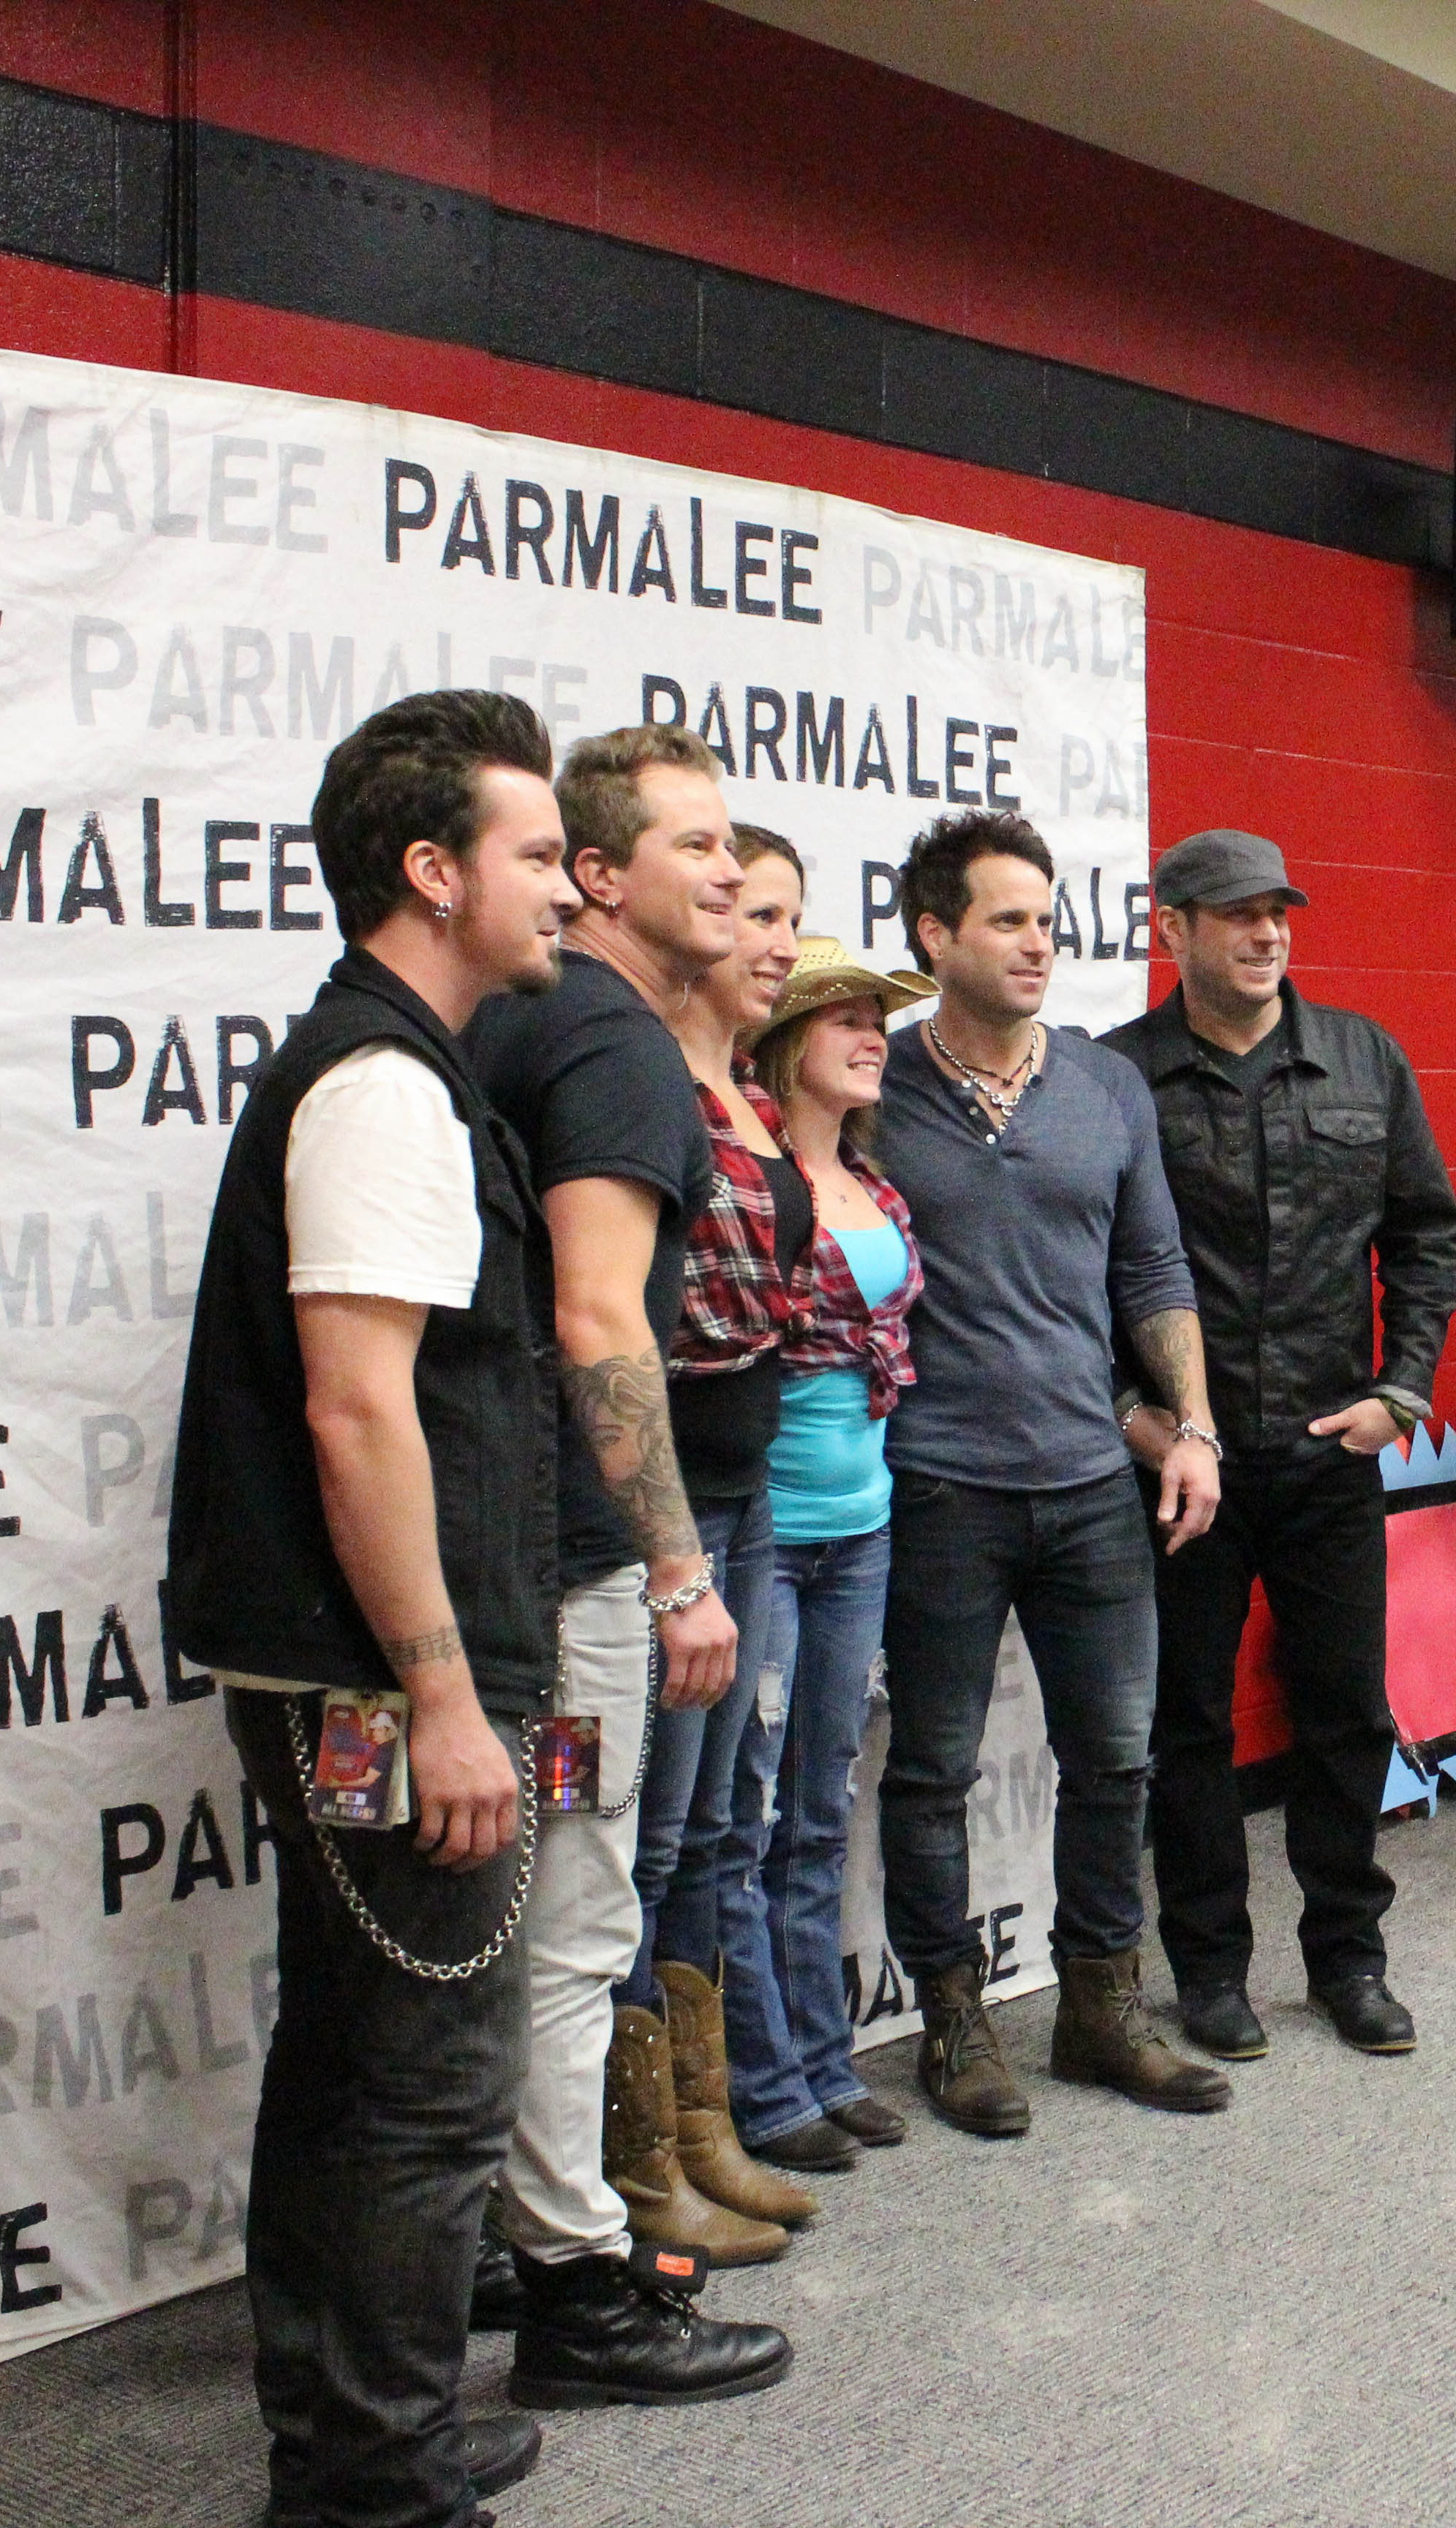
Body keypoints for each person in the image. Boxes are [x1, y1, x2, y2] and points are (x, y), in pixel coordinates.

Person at [160, 690, 572, 2527]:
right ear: (433, 871)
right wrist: (444, 1696)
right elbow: (358, 1411)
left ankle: (345, 2439)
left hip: (362, 1670)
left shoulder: (397, 1068)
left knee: (353, 2057)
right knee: (427, 2082)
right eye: (538, 854)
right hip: (383, 1682)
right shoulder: (388, 1087)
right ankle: (379, 2483)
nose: (569, 885)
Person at [459, 724, 791, 2400]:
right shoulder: (605, 1036)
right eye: (695, 844)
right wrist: (674, 1566)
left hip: (495, 1555)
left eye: (734, 845)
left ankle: (510, 2232)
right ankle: (578, 2288)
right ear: (598, 874)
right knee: (578, 1913)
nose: (730, 871)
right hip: (572, 1572)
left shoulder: (533, 1021)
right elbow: (601, 1317)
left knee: (507, 1916)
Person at [875, 807, 1231, 2133]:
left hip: (1091, 1482)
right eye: (1008, 920)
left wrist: (1192, 1427)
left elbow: (1152, 1269)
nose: (1040, 943)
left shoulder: (1104, 1086)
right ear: (935, 935)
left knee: (1116, 1760)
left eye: (1048, 919)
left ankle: (1098, 2010)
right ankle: (954, 2021)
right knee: (933, 1771)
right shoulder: (873, 1087)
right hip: (939, 1484)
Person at [1109, 830, 1456, 2062]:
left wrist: (1402, 1392)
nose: (1267, 933)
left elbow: (1426, 1233)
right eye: (1237, 914)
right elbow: (1086, 1270)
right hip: (1185, 1467)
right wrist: (1144, 1420)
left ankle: (1348, 1957)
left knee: (1346, 1713)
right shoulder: (1118, 1079)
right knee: (1187, 1726)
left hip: (1328, 1451)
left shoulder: (1364, 1059)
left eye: (1279, 912)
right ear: (1173, 929)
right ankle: (1209, 1970)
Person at [614, 827, 826, 2235]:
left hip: (750, 1490)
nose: (777, 945)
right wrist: (668, 1549)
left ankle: (700, 2128)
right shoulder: (649, 1084)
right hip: (664, 1502)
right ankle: (633, 2166)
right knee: (641, 1842)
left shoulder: (748, 1091)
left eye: (790, 920)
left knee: (706, 1828)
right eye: (755, 914)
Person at [720, 933, 936, 2167]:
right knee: (743, 1824)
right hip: (765, 1540)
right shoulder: (749, 1178)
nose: (872, 1038)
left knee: (816, 1813)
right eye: (846, 1018)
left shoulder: (875, 1187)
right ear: (786, 1039)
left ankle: (821, 2059)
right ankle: (764, 2086)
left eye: (877, 1019)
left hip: (862, 1534)